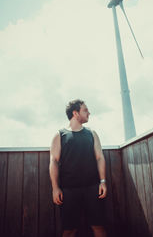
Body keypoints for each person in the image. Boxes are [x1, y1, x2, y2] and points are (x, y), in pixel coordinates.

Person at [49, 99, 107, 237]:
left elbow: (99, 157)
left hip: (93, 188)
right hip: (68, 191)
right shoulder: (60, 135)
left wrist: (103, 181)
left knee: (98, 227)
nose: (89, 113)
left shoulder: (92, 133)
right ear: (75, 113)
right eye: (85, 110)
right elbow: (54, 161)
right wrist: (55, 188)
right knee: (69, 230)